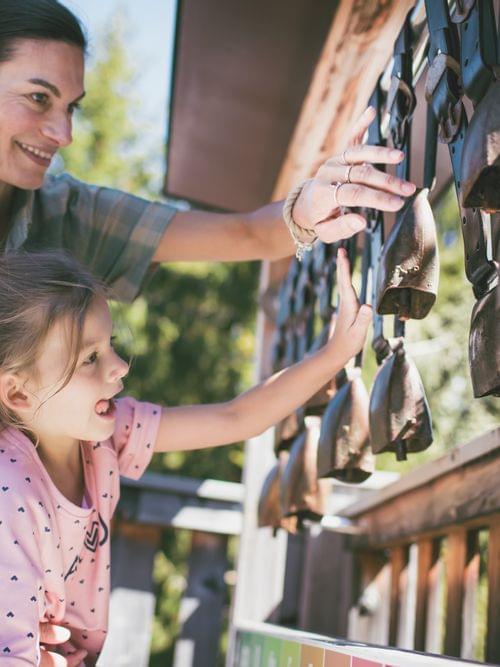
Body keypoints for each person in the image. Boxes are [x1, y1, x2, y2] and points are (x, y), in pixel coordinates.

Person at [0, 249, 371, 666]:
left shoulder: (100, 438)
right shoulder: (10, 494)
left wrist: (336, 353)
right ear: (18, 394)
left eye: (111, 346)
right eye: (90, 358)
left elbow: (236, 418)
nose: (120, 366)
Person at [0, 0, 416, 299]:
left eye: (71, 108)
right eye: (38, 98)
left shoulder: (69, 217)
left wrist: (307, 207)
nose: (64, 133)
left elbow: (248, 234)